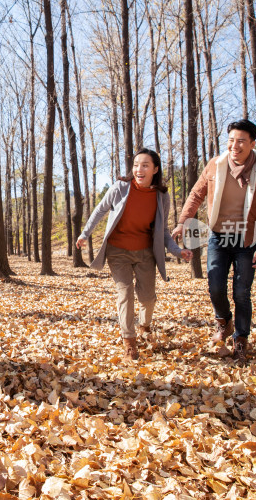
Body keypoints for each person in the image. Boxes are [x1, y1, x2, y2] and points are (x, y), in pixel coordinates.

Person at [171, 119, 256, 362]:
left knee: (242, 292)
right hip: (219, 237)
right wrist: (183, 221)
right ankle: (224, 322)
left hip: (248, 239)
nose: (235, 145)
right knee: (215, 286)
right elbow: (196, 194)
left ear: (252, 143)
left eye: (241, 141)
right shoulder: (215, 166)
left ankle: (241, 340)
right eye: (231, 140)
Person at [77, 148, 192, 362]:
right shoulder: (120, 188)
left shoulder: (161, 196)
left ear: (155, 169)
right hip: (118, 251)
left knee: (147, 298)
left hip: (145, 252)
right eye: (136, 164)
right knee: (125, 293)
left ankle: (144, 325)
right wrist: (85, 234)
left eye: (145, 165)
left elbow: (163, 231)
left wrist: (177, 251)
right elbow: (100, 210)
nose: (139, 169)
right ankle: (129, 342)